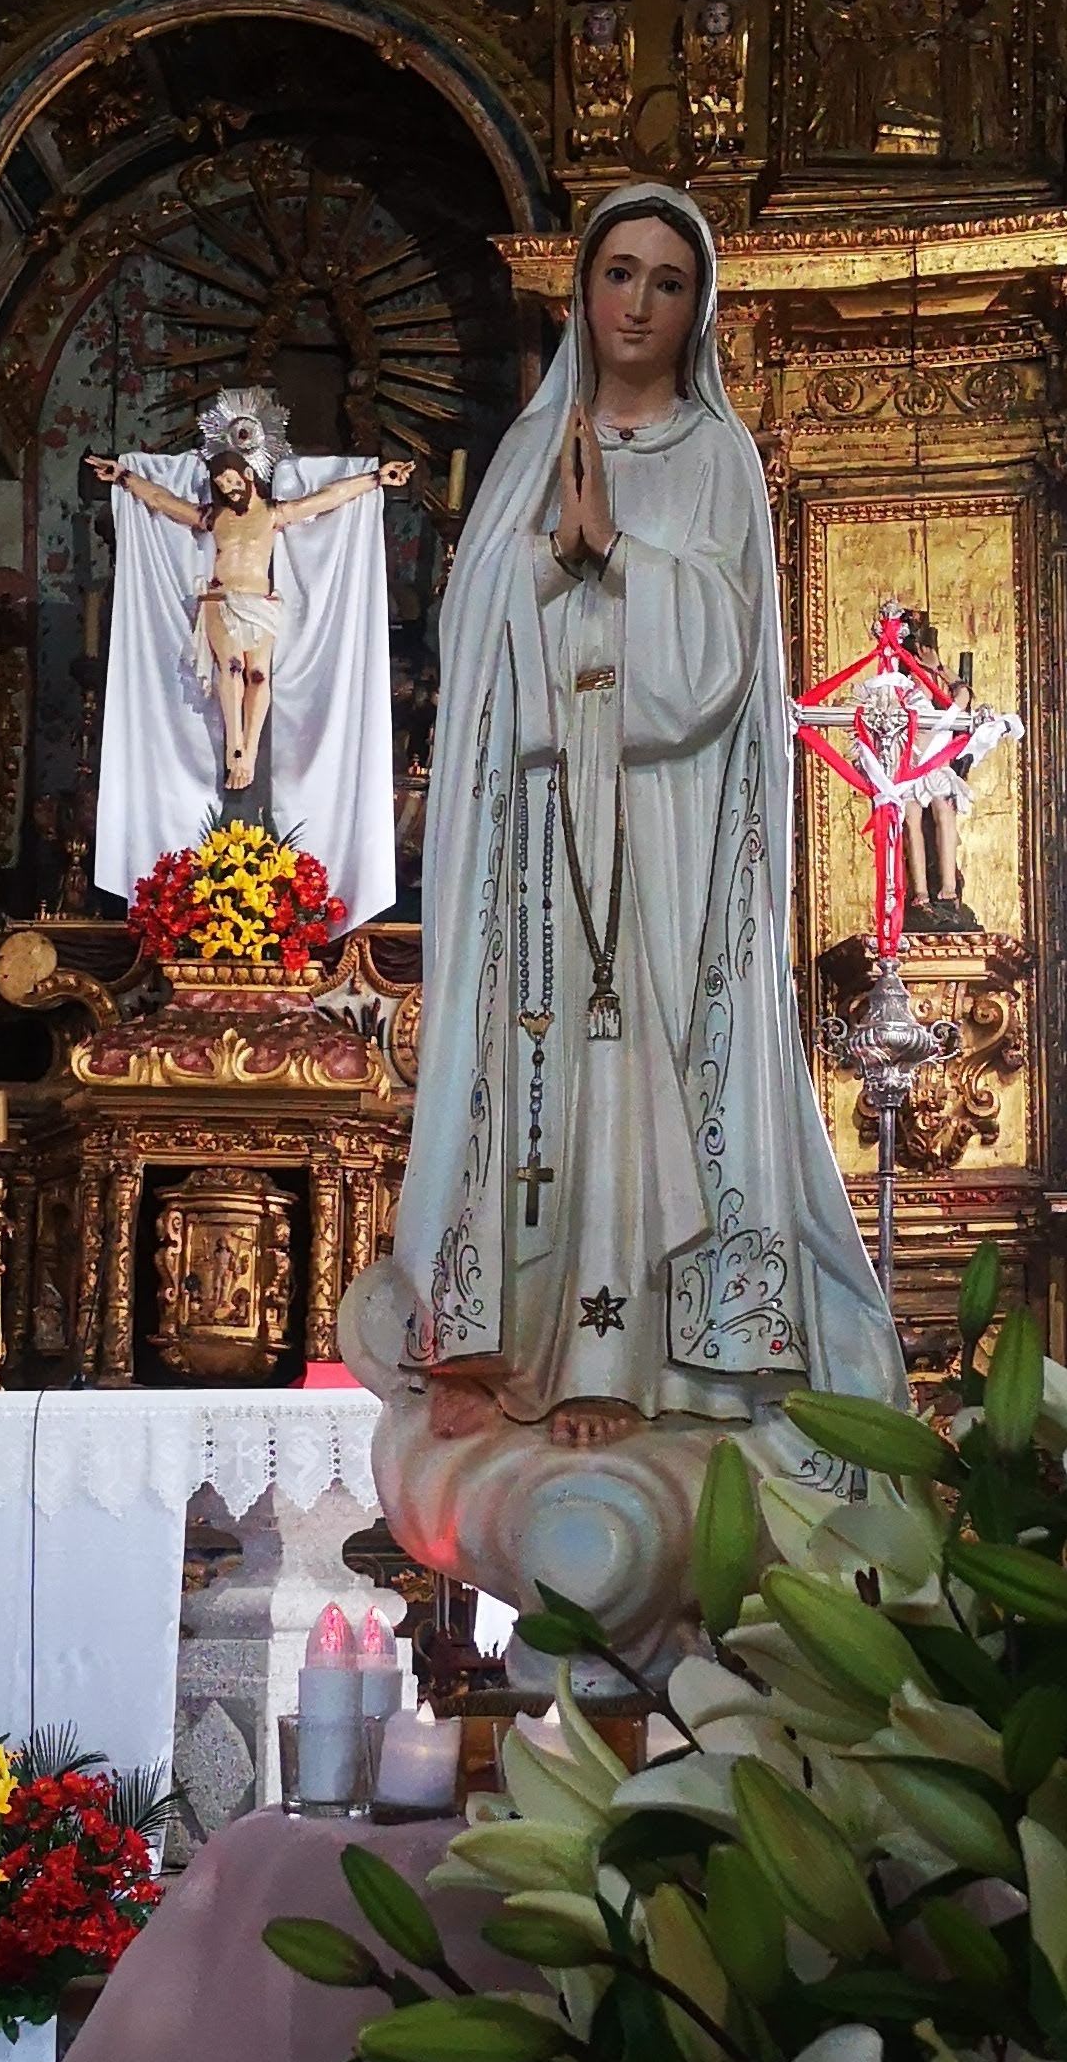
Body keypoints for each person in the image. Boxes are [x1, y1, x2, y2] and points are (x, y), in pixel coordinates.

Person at [376, 182, 906, 1450]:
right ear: (584, 289)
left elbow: (724, 657)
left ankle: (627, 1359)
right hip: (544, 820)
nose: (639, 304)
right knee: (535, 1068)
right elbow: (472, 635)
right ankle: (502, 1337)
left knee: (640, 1067)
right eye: (621, 273)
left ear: (697, 308)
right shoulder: (531, 450)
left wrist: (616, 550)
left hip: (668, 826)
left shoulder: (718, 459)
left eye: (669, 282)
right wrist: (545, 556)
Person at [87, 440, 411, 793]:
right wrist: (124, 477)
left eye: (231, 480)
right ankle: (235, 748)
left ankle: (249, 753)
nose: (229, 489)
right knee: (231, 668)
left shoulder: (273, 514)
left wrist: (376, 479)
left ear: (248, 475)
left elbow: (327, 497)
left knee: (257, 676)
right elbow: (163, 500)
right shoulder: (214, 517)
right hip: (221, 599)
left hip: (259, 603)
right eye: (221, 485)